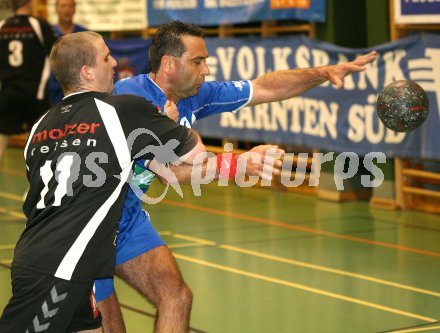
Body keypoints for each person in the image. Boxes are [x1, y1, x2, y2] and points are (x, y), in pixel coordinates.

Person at [93, 20, 378, 332]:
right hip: (92, 224)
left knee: (176, 297)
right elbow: (171, 173)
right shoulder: (132, 98)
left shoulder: (194, 95)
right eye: (197, 62)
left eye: (206, 62)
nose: (205, 71)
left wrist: (322, 73)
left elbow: (265, 87)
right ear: (168, 64)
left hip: (129, 219)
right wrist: (241, 165)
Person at [0, 31, 209, 332]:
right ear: (86, 71)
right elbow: (192, 158)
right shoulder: (120, 109)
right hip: (59, 271)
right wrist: (242, 163)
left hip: (50, 262)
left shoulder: (40, 126)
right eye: (106, 57)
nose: (114, 63)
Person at [0, 0, 56, 164]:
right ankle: (36, 187)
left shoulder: (2, 25)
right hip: (34, 93)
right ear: (28, 3)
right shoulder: (38, 24)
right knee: (40, 141)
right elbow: (54, 53)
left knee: (2, 134)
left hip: (7, 92)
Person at [49, 0, 88, 105]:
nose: (67, 9)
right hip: (53, 88)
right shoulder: (48, 32)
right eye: (63, 6)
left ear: (74, 9)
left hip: (79, 87)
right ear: (56, 9)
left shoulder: (84, 33)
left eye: (70, 6)